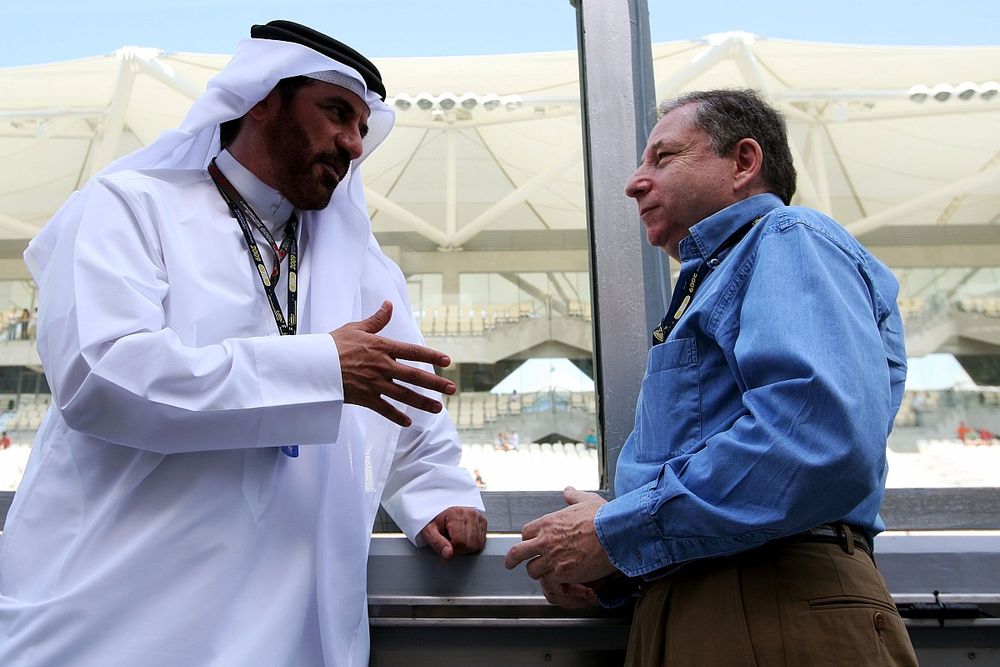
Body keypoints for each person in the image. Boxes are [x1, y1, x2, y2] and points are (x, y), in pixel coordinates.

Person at [0, 21, 486, 666]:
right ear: (260, 99)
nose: (353, 143)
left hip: (293, 627)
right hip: (120, 613)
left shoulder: (364, 267)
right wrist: (319, 369)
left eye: (363, 127)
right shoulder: (132, 206)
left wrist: (440, 494)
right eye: (336, 112)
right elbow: (101, 376)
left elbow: (407, 407)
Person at [505, 89, 917, 665]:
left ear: (744, 162)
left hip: (771, 600)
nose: (634, 183)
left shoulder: (787, 236)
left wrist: (615, 532)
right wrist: (616, 560)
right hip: (720, 603)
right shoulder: (725, 274)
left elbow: (813, 441)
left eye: (663, 157)